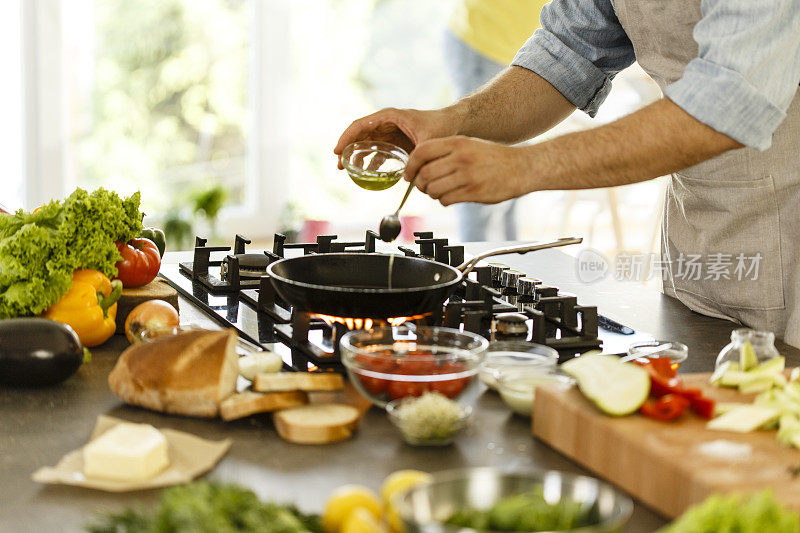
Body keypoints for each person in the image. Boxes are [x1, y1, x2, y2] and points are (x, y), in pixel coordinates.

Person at [334, 0, 800, 347]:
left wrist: (527, 166)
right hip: (707, 213)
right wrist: (453, 120)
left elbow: (731, 100)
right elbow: (568, 50)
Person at [444, 0, 547, 242]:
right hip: (486, 42)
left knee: (511, 172)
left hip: (533, 48)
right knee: (480, 172)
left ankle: (509, 264)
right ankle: (476, 270)